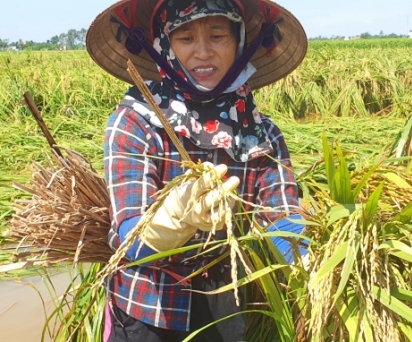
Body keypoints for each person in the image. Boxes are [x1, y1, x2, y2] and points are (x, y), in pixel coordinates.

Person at [85, 0, 308, 341]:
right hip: (148, 308)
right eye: (185, 38)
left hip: (227, 303)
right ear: (165, 46)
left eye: (217, 35)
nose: (203, 52)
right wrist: (176, 218)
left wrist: (307, 261)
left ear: (239, 42)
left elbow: (281, 217)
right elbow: (131, 237)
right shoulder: (135, 122)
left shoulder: (261, 134)